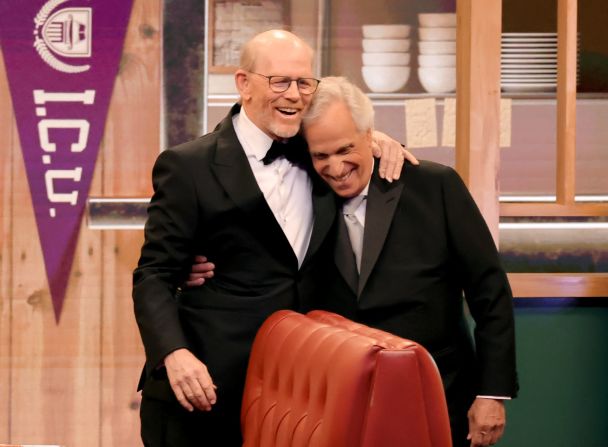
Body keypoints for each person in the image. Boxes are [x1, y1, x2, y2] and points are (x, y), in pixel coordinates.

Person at [132, 30, 415, 447]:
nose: (295, 95)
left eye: (304, 83)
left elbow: (348, 141)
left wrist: (376, 138)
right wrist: (173, 355)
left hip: (302, 394)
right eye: (280, 81)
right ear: (244, 84)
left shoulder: (321, 155)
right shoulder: (188, 166)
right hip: (206, 388)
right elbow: (154, 274)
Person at [301, 77, 519, 447]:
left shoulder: (435, 185)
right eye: (321, 156)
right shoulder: (300, 192)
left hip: (441, 392)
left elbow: (489, 291)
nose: (335, 168)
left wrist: (491, 393)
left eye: (345, 150)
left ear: (370, 135)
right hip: (341, 405)